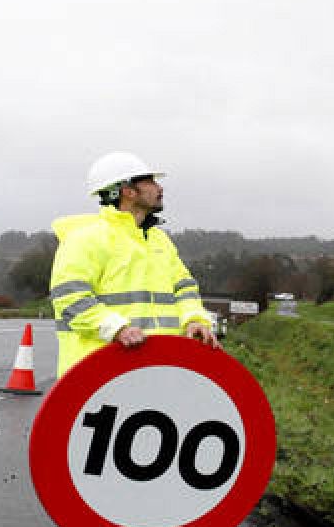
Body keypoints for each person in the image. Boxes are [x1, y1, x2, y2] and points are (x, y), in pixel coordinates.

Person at [49, 152, 219, 377]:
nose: (159, 188)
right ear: (128, 191)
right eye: (150, 181)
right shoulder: (85, 239)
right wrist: (116, 329)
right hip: (100, 376)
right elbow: (70, 298)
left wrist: (195, 320)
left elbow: (184, 289)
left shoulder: (160, 240)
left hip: (159, 370)